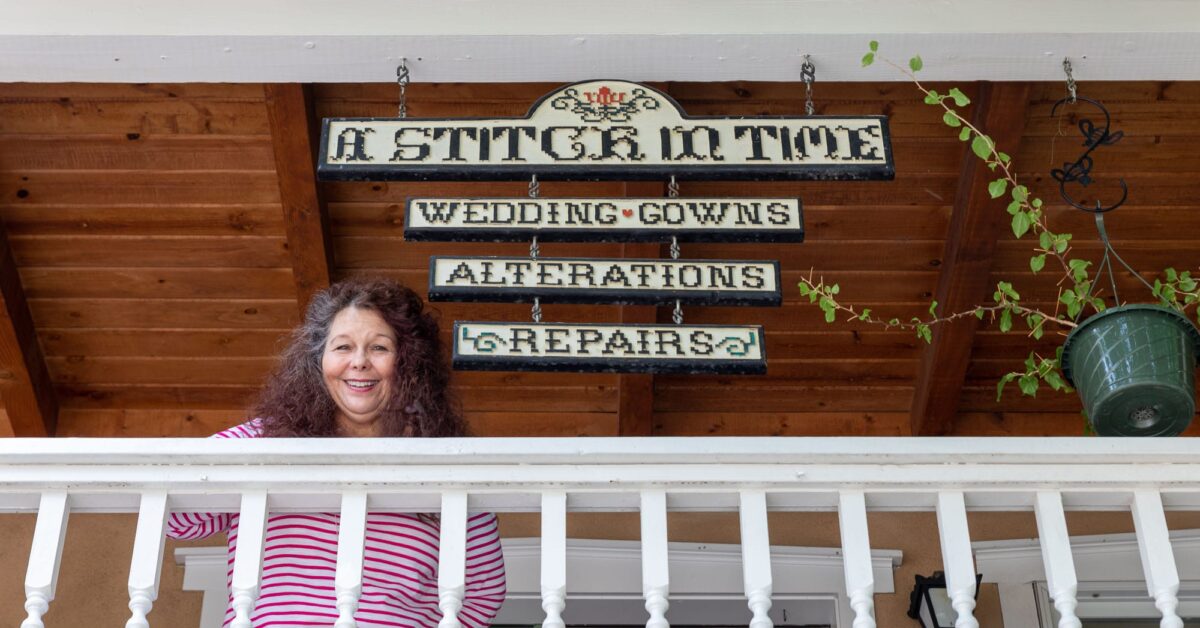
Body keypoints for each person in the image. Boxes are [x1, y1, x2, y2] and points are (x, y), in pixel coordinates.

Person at [167, 278, 506, 627]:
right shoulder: (263, 440)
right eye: (343, 347)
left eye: (379, 348)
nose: (359, 362)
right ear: (318, 361)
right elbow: (178, 521)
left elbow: (483, 594)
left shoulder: (446, 464)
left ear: (409, 363)